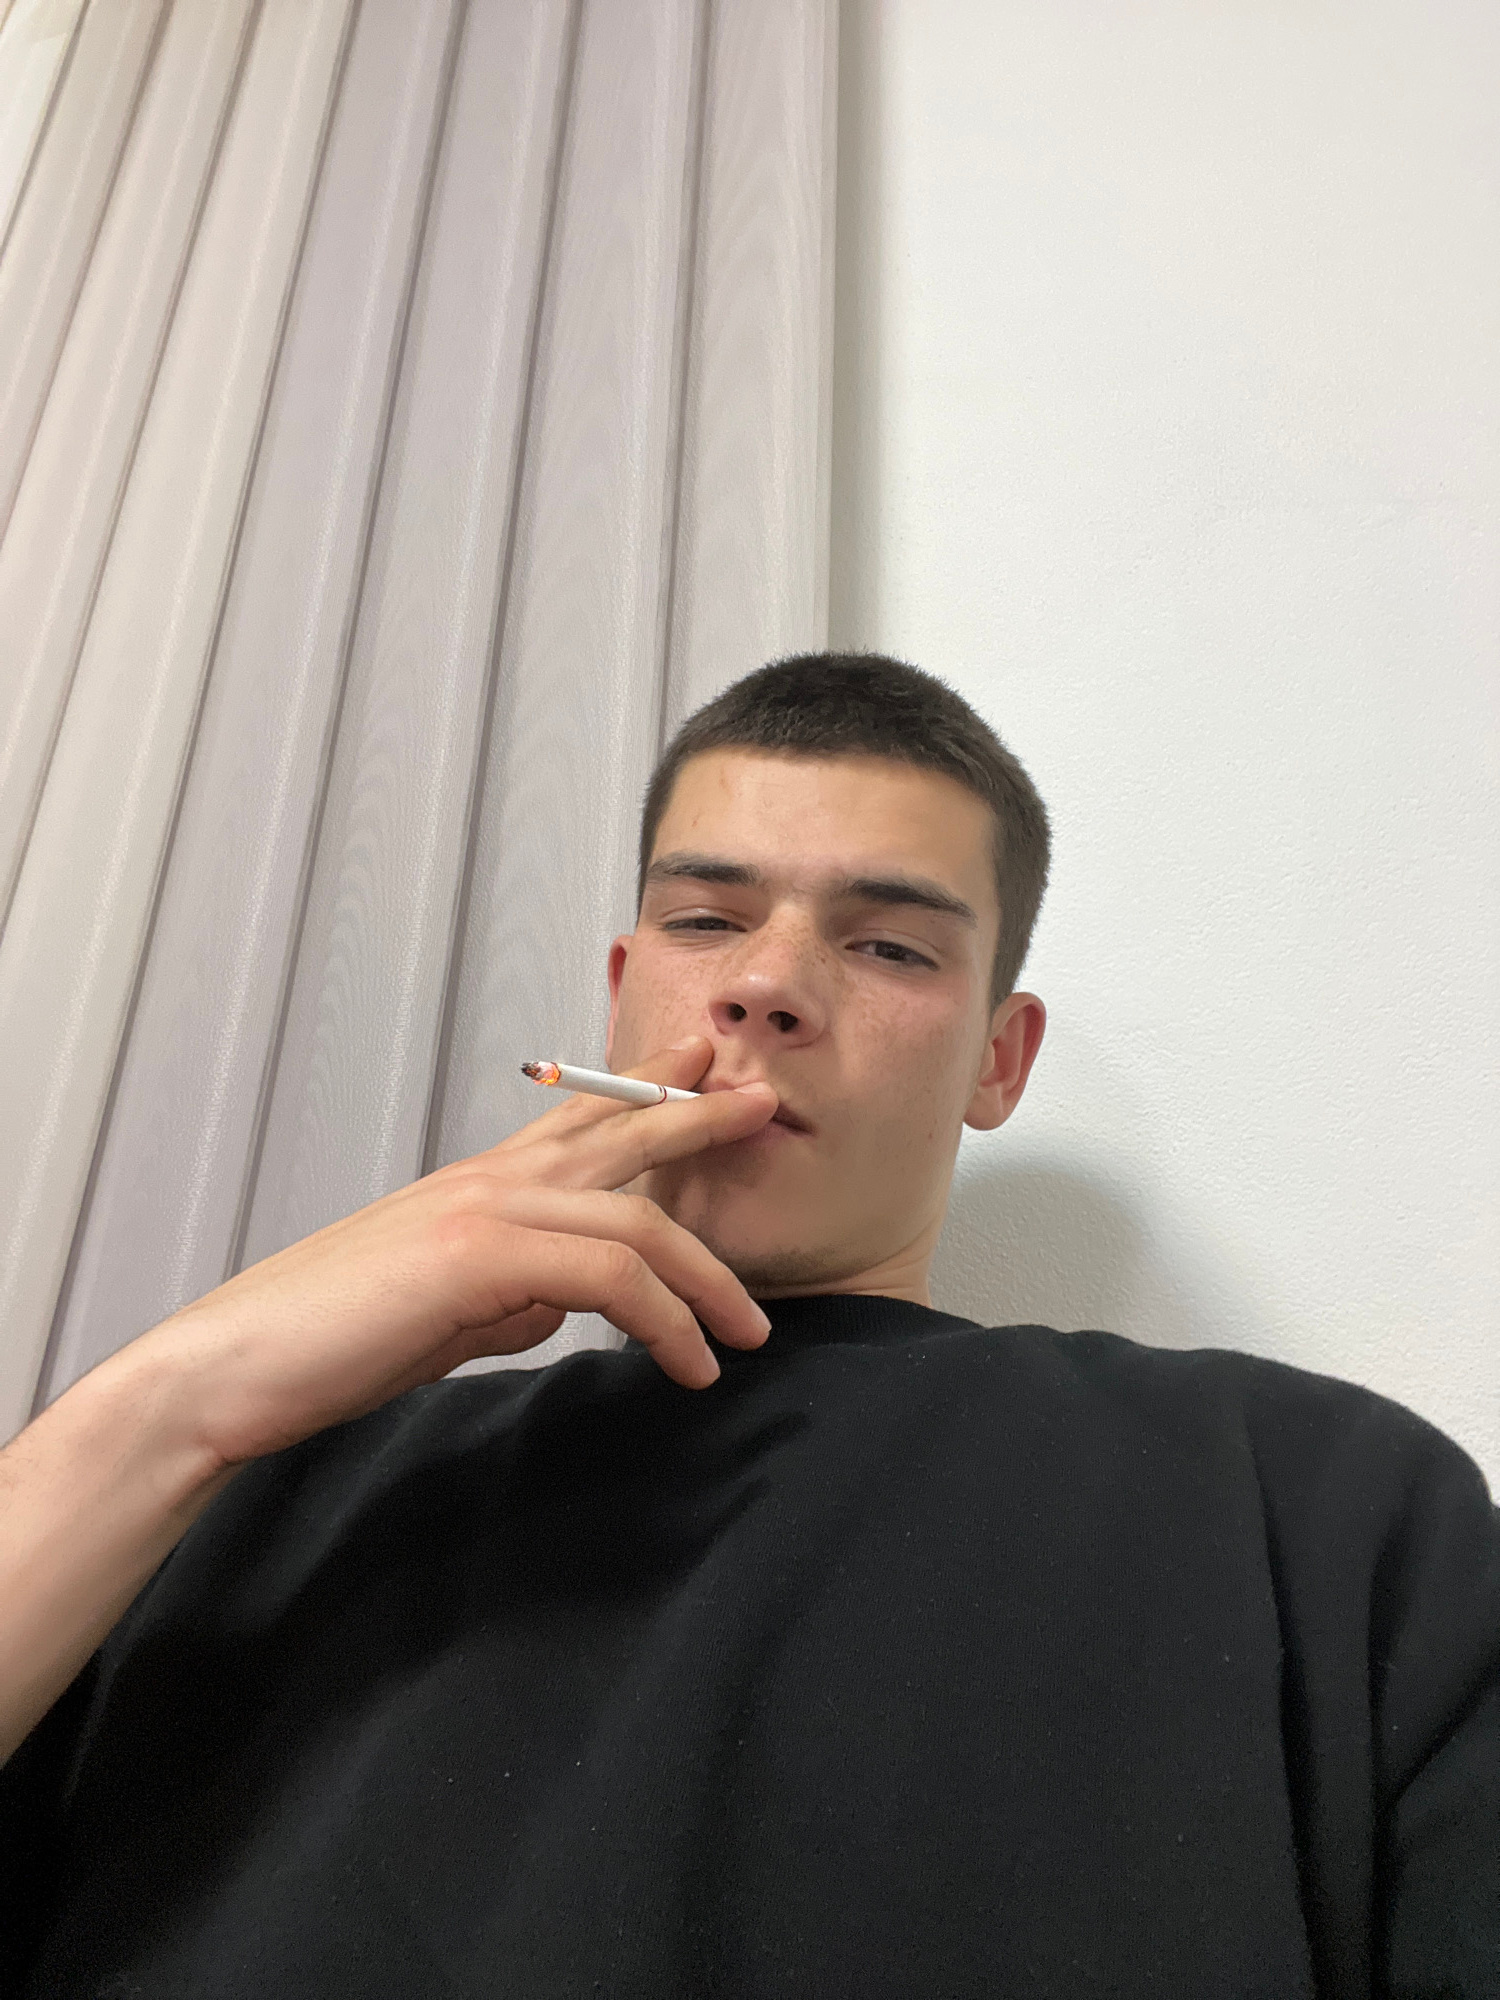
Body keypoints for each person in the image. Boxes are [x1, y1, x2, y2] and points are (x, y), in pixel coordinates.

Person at [0, 653, 1494, 1997]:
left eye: (891, 946)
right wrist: (172, 1400)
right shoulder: (243, 1489)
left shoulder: (1319, 1502)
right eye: (707, 920)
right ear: (621, 993)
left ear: (999, 1058)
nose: (767, 986)